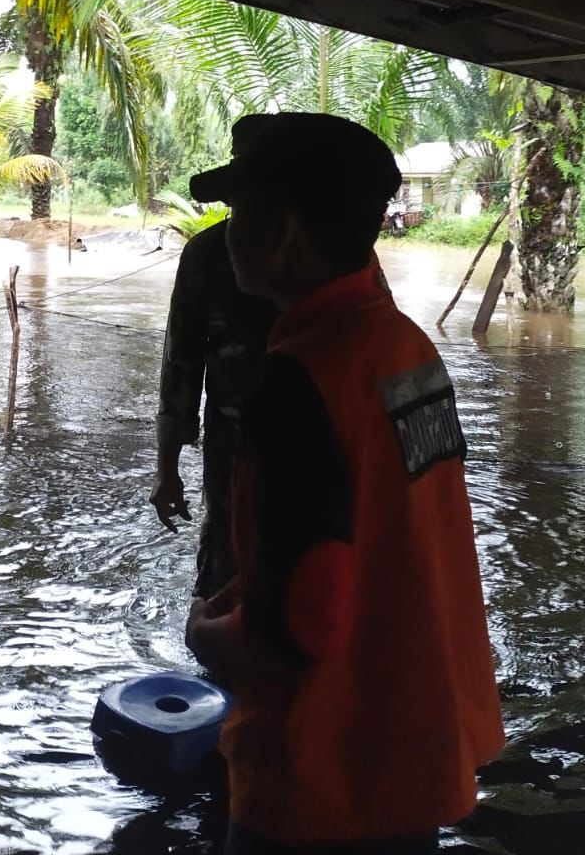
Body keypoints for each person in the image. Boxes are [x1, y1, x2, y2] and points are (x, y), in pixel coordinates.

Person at [182, 113, 503, 854]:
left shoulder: (298, 381)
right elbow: (383, 524)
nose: (228, 233)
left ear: (284, 230)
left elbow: (304, 623)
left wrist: (208, 635)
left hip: (322, 773)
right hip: (416, 746)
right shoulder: (406, 347)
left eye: (239, 213)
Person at [151, 116, 279, 600]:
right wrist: (168, 469)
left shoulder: (335, 259)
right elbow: (180, 362)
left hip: (308, 446)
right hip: (231, 446)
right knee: (226, 559)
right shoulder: (206, 255)